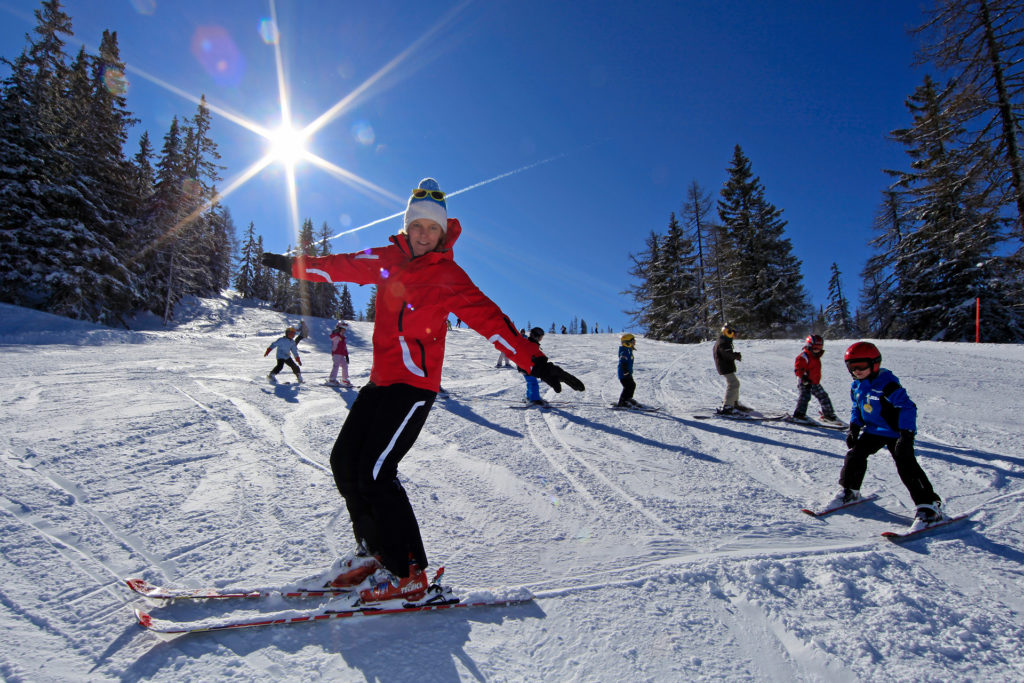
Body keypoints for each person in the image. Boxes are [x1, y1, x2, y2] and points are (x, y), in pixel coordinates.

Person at [261, 178, 585, 603]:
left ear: (443, 232)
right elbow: (341, 265)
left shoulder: (447, 275)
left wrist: (536, 361)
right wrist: (294, 266)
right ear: (408, 226)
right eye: (419, 226)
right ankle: (374, 554)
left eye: (434, 228)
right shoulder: (386, 259)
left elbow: (491, 318)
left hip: (414, 385)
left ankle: (409, 571)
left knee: (376, 471)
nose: (425, 235)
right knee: (344, 461)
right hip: (379, 382)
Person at [824, 341, 945, 531]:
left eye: (861, 365)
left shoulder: (887, 385)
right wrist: (855, 426)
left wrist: (906, 435)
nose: (857, 370)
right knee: (855, 455)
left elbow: (908, 407)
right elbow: (857, 406)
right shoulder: (857, 385)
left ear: (875, 363)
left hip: (896, 432)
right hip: (873, 430)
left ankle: (929, 506)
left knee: (906, 465)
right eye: (852, 366)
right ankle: (850, 491)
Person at [791, 334, 839, 422]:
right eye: (815, 348)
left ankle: (828, 414)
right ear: (809, 346)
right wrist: (804, 378)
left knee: (823, 396)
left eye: (819, 347)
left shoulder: (816, 357)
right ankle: (799, 414)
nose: (817, 350)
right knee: (805, 396)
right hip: (805, 382)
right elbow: (798, 370)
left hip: (815, 382)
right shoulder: (803, 357)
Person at [713, 323, 749, 414]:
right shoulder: (723, 342)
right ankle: (728, 406)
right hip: (724, 366)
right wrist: (735, 356)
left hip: (725, 365)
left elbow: (726, 353)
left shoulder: (724, 340)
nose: (735, 336)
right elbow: (726, 354)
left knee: (735, 383)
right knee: (733, 383)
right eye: (734, 333)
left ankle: (733, 403)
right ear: (728, 332)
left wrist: (734, 355)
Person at [520, 327, 546, 405]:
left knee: (530, 382)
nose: (541, 339)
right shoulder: (531, 344)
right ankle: (534, 399)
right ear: (536, 336)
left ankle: (529, 396)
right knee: (533, 382)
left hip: (525, 366)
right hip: (526, 367)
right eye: (541, 337)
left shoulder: (530, 342)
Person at [615, 333, 641, 408]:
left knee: (632, 385)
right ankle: (622, 402)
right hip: (624, 374)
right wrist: (625, 371)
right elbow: (622, 362)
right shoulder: (624, 352)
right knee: (627, 387)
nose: (634, 343)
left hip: (628, 373)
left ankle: (628, 399)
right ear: (627, 343)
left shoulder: (628, 351)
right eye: (633, 341)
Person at [327, 321, 350, 386]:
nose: (344, 330)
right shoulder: (336, 336)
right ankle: (332, 379)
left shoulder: (343, 337)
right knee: (336, 365)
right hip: (336, 353)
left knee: (345, 365)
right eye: (343, 329)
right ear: (339, 329)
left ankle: (344, 379)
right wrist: (334, 333)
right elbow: (331, 337)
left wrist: (346, 355)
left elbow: (344, 347)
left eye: (345, 329)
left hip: (342, 354)